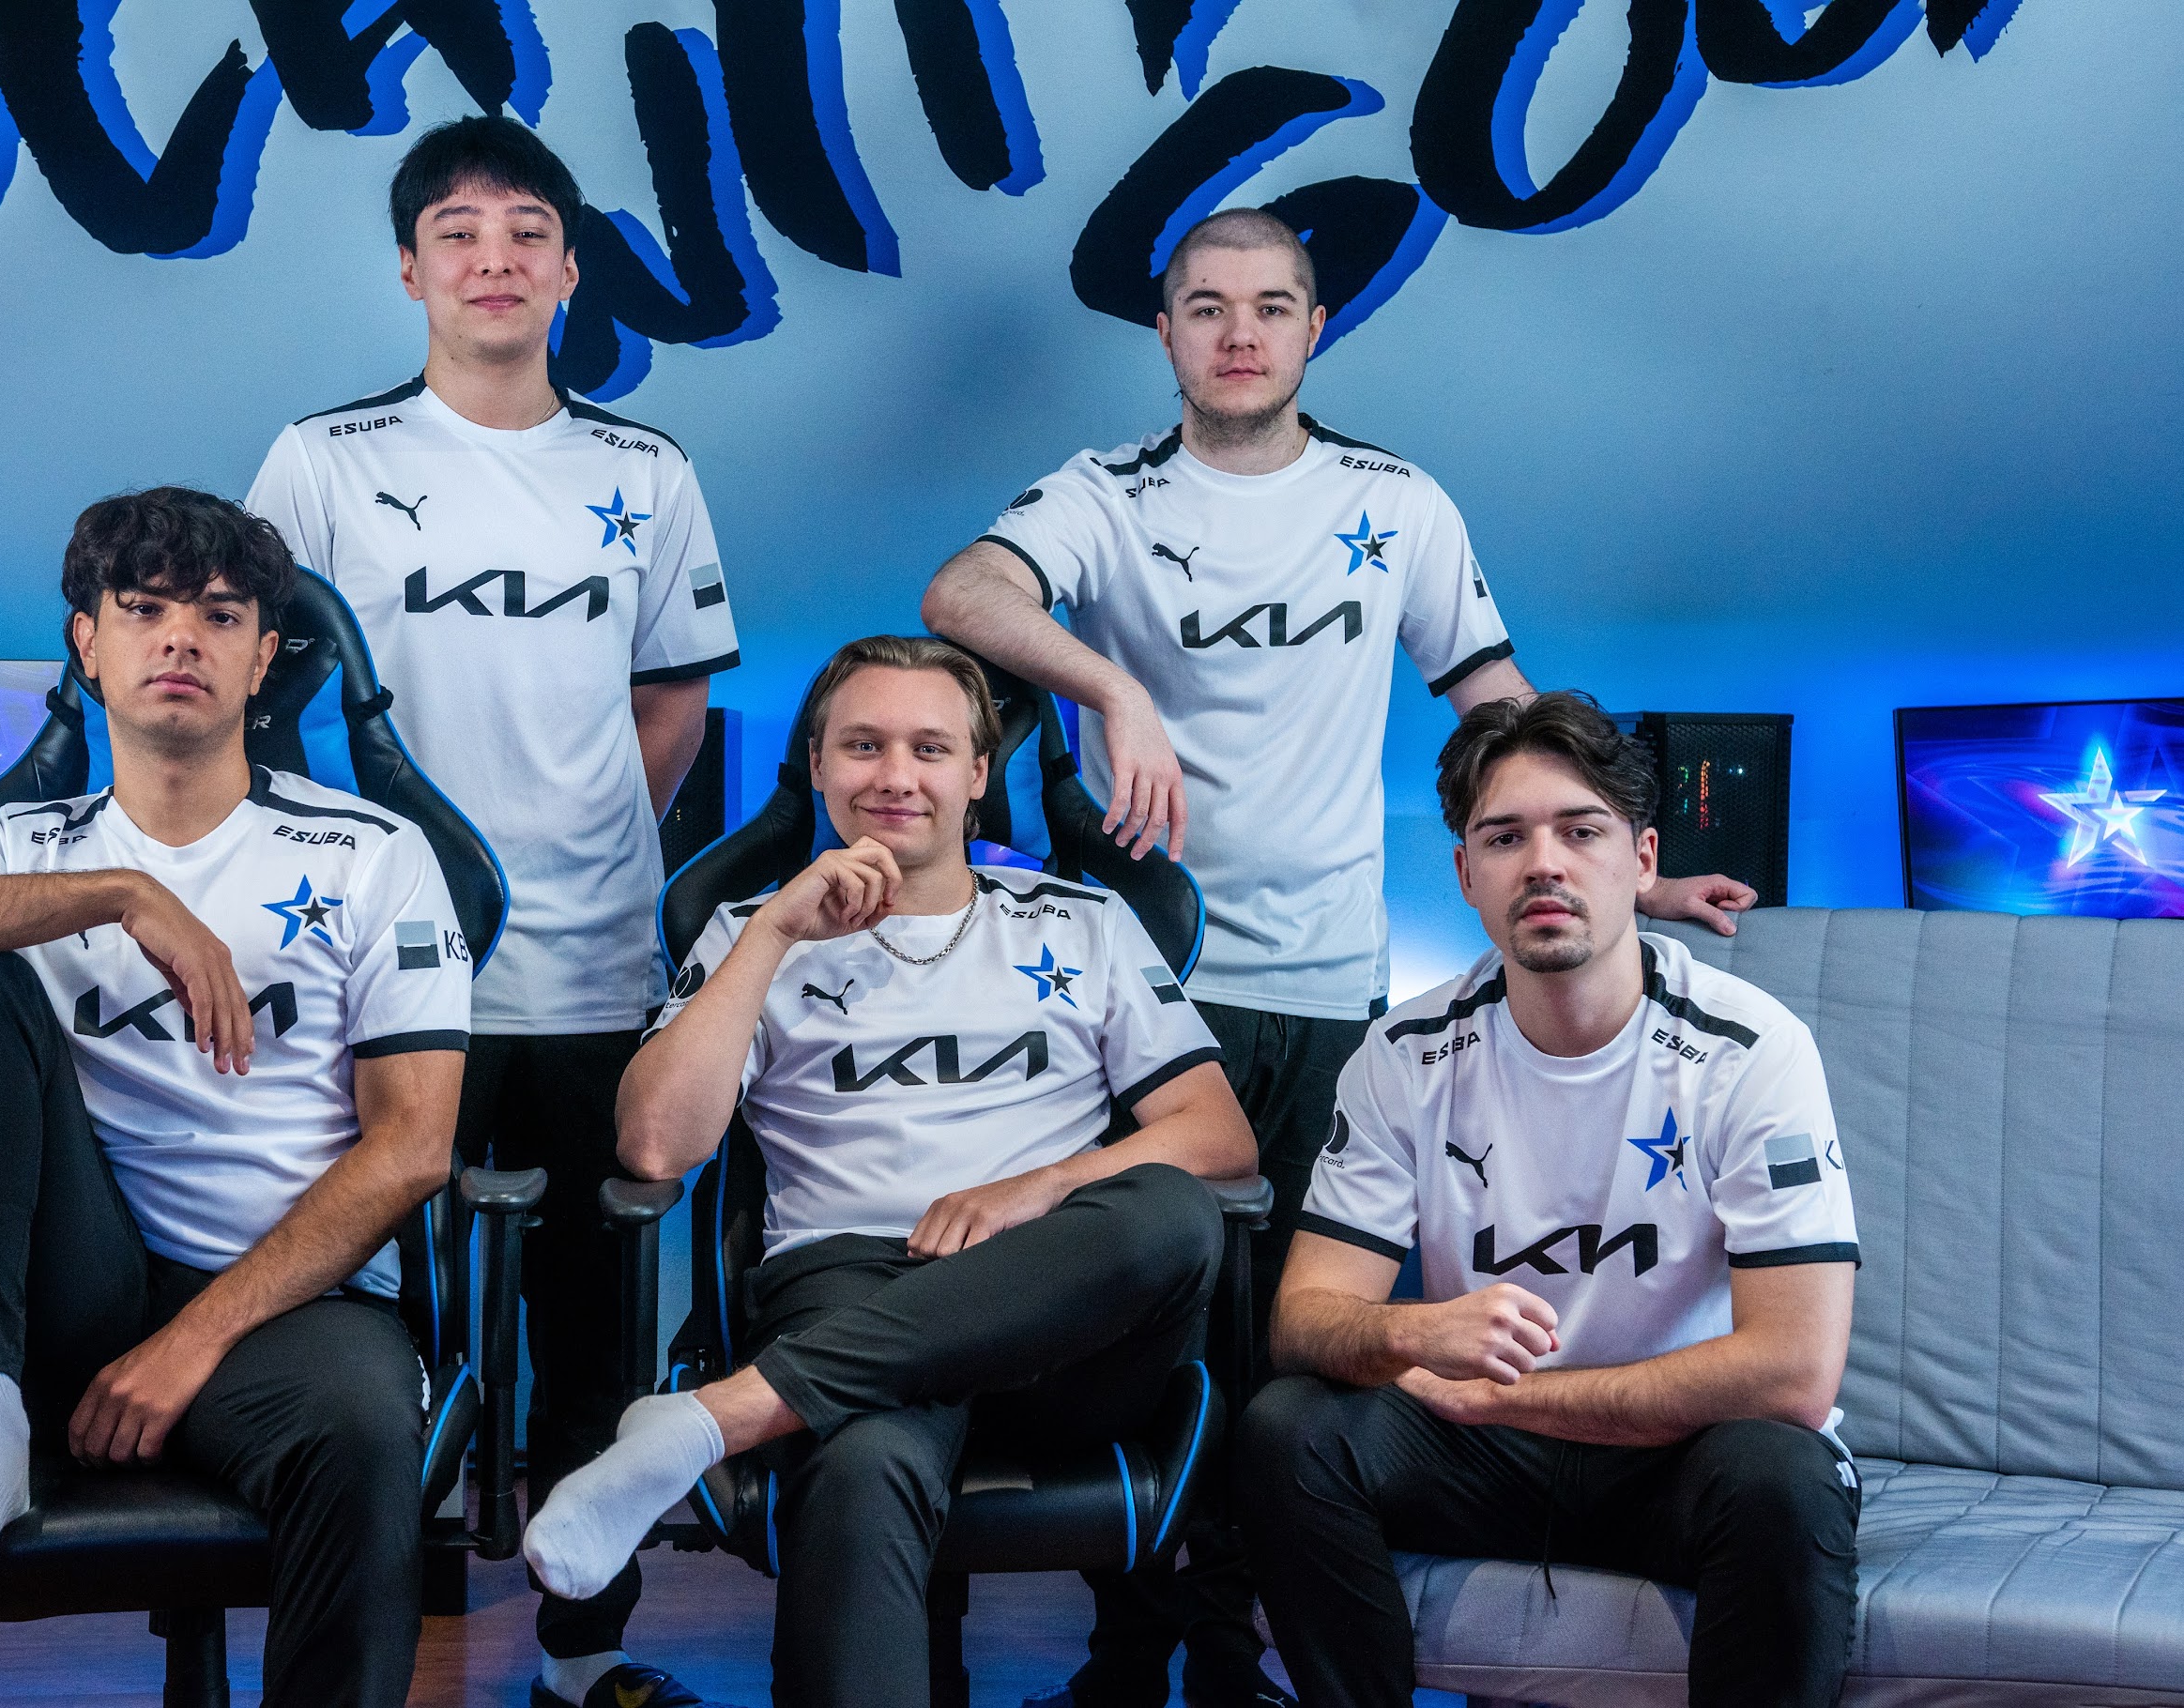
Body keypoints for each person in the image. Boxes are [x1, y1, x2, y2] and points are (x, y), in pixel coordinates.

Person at [919, 206, 1758, 1708]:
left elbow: (1495, 701)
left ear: (1315, 329)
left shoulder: (1394, 500)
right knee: (1137, 1336)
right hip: (1140, 991)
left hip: (1321, 987)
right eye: (1205, 307)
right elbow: (961, 597)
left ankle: (1234, 1650)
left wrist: (1622, 864)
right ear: (1165, 333)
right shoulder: (1105, 494)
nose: (1237, 333)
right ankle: (1129, 1649)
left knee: (1290, 1346)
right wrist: (1114, 689)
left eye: (1270, 306)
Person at [0, 488, 475, 1708]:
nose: (179, 639)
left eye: (218, 615)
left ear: (264, 658)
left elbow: (415, 1145)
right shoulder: (24, 843)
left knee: (363, 1435)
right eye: (144, 609)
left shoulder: (374, 853)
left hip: (289, 1306)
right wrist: (122, 894)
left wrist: (192, 1340)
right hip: (77, 1293)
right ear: (88, 644)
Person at [516, 635, 1260, 1708]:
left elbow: (1217, 1132)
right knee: (861, 1466)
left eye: (930, 747)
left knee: (1172, 1212)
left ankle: (725, 1413)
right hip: (850, 1282)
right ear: (817, 764)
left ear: (979, 771)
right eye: (863, 745)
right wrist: (777, 930)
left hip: (1067, 1323)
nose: (896, 775)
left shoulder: (1083, 921)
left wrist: (1038, 1186)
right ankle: (775, 1404)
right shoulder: (748, 933)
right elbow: (654, 1147)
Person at [242, 115, 741, 1708]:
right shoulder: (326, 460)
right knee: (382, 1320)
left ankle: (585, 1655)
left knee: (593, 1328)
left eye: (527, 233)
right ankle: (389, 1645)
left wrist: (580, 843)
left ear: (571, 269)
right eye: (457, 233)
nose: (494, 260)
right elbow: (259, 695)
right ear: (410, 269)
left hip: (594, 973)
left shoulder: (644, 471)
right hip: (383, 979)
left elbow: (670, 703)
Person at [1239, 690, 1861, 1708]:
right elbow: (1304, 1319)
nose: (1544, 864)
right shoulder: (1403, 1053)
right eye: (1505, 837)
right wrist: (1417, 1331)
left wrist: (1509, 1396)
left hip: (1678, 1452)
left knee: (1783, 1478)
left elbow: (1795, 1370)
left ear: (1643, 859)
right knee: (1288, 1429)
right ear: (1465, 874)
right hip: (1482, 1459)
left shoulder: (1752, 1050)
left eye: (1581, 831)